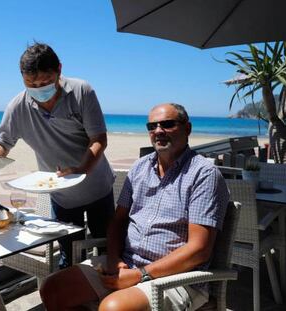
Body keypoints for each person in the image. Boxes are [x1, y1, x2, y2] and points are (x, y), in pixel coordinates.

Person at [41, 103, 229, 311]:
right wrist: (113, 259)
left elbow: (199, 250)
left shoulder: (203, 174)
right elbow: (118, 220)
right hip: (128, 264)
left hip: (178, 277)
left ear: (187, 128)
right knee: (53, 288)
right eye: (152, 126)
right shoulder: (140, 167)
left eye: (167, 124)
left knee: (113, 308)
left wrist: (141, 275)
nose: (158, 131)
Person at [0, 42, 115, 268]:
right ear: (22, 78)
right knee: (70, 258)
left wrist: (81, 169)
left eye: (46, 82)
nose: (39, 89)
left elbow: (99, 139)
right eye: (31, 84)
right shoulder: (17, 106)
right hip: (61, 195)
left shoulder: (82, 91)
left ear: (59, 69)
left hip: (97, 187)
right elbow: (2, 141)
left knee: (108, 251)